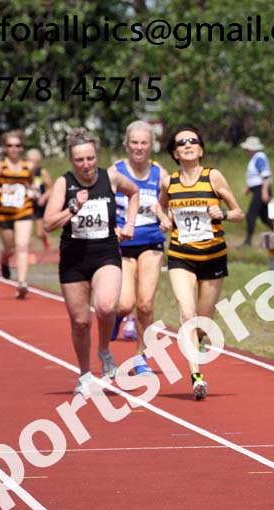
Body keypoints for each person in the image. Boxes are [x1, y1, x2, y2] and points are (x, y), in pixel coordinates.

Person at [43, 128, 139, 396]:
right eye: (79, 160)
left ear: (97, 156)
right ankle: (85, 373)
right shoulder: (64, 184)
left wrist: (129, 223)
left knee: (107, 306)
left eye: (90, 158)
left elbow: (135, 193)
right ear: (72, 161)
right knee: (80, 322)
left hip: (105, 252)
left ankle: (104, 349)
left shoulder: (111, 177)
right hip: (73, 258)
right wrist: (73, 208)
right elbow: (48, 224)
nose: (86, 165)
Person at [159, 124, 244, 399]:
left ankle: (200, 339)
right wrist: (163, 219)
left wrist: (222, 214)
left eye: (193, 141)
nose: (187, 144)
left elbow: (239, 212)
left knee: (204, 318)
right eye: (181, 142)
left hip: (213, 256)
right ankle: (196, 376)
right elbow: (162, 207)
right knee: (187, 313)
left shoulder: (213, 177)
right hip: (181, 256)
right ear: (174, 152)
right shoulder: (170, 182)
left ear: (201, 149)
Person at [111, 120, 168, 375]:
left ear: (151, 145)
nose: (139, 147)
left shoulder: (160, 174)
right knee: (125, 304)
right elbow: (102, 204)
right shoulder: (116, 171)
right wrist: (112, 228)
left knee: (145, 304)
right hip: (122, 244)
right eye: (134, 142)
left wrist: (167, 217)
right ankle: (116, 318)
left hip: (151, 242)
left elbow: (170, 204)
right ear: (127, 144)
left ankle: (140, 357)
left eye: (144, 142)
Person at [0, 131, 34, 298]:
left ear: (22, 148)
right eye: (10, 146)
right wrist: (6, 190)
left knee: (22, 246)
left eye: (17, 145)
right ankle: (4, 259)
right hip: (4, 214)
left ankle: (21, 283)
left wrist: (32, 191)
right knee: (10, 247)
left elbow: (32, 184)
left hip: (24, 210)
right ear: (5, 148)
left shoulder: (28, 166)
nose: (14, 149)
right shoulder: (0, 166)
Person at [240, 136, 273, 246]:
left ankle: (248, 241)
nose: (246, 151)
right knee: (265, 217)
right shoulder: (255, 158)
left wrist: (264, 191)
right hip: (258, 189)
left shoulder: (259, 157)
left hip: (261, 189)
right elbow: (255, 176)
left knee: (251, 215)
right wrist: (248, 188)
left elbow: (265, 175)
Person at [26, 148, 52, 251]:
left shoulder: (42, 172)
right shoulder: (23, 172)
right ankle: (28, 252)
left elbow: (51, 188)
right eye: (30, 160)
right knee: (25, 231)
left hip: (39, 204)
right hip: (26, 203)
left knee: (39, 233)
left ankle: (45, 238)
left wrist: (43, 198)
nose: (32, 163)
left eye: (34, 161)